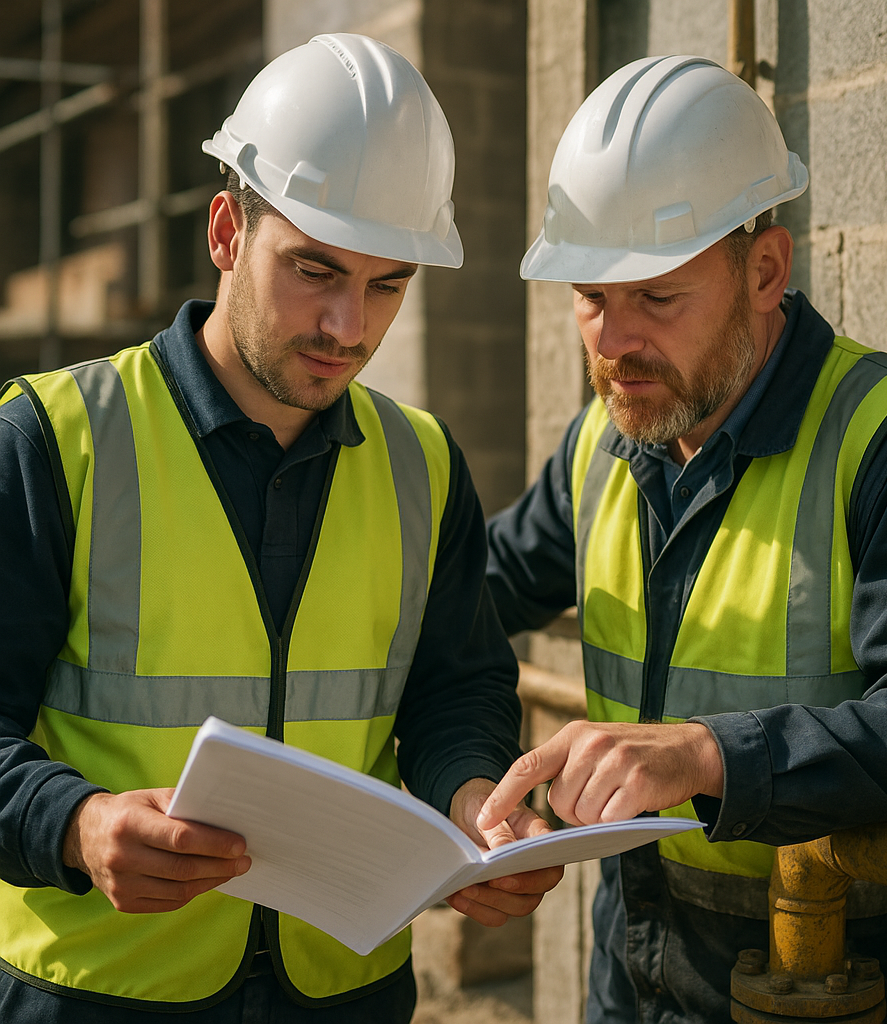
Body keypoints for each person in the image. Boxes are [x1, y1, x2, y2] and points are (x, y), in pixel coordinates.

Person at [0, 33, 560, 1023]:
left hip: (345, 995)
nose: (349, 327)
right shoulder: (51, 441)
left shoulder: (422, 465)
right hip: (96, 997)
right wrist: (76, 823)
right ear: (226, 229)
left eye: (388, 284)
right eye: (315, 269)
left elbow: (453, 691)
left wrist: (473, 801)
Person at [479, 54, 887, 1024]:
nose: (611, 341)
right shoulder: (602, 444)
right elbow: (475, 595)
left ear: (764, 270)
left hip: (838, 972)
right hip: (633, 949)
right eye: (591, 298)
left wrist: (709, 756)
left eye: (655, 296)